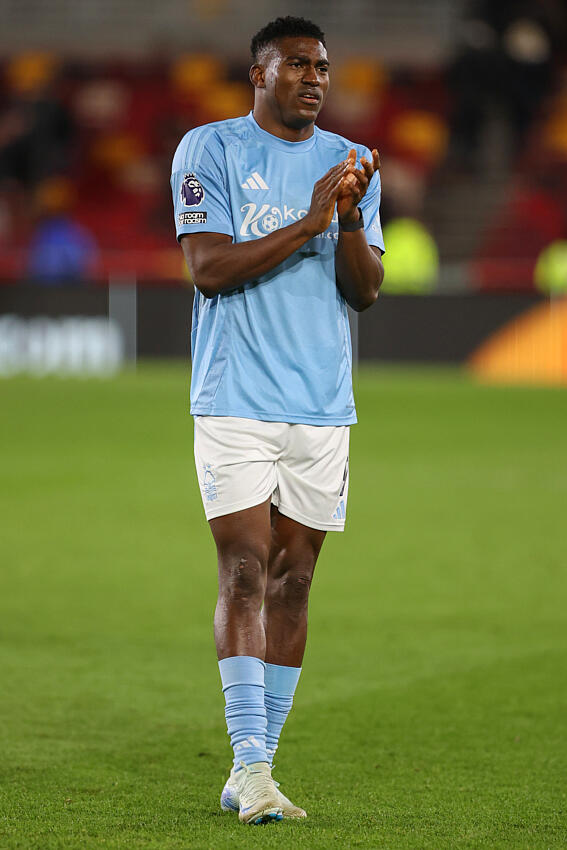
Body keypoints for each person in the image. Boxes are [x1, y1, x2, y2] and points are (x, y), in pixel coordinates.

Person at [171, 16, 384, 826]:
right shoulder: (210, 149)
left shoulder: (352, 164)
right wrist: (309, 221)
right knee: (244, 572)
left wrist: (352, 218)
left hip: (322, 403)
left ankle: (254, 765)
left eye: (322, 66)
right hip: (233, 397)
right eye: (296, 63)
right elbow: (209, 268)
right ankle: (253, 767)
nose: (314, 77)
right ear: (257, 73)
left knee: (294, 582)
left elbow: (363, 292)